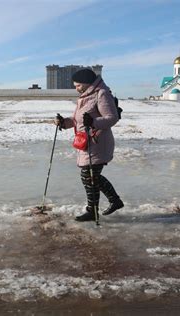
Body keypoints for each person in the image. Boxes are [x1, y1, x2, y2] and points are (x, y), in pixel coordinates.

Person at [55, 68, 124, 222]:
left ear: (87, 83)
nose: (76, 88)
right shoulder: (84, 97)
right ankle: (113, 201)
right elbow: (77, 120)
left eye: (78, 85)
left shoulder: (101, 94)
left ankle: (94, 210)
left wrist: (93, 122)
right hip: (86, 142)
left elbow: (112, 118)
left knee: (89, 176)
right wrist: (63, 122)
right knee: (91, 176)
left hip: (98, 142)